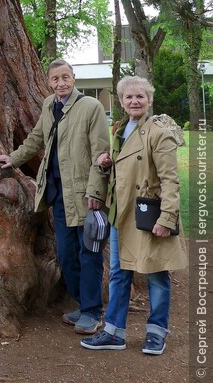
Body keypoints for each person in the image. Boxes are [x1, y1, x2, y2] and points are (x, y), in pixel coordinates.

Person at [0, 59, 110, 334]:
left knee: (89, 254)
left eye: (65, 77)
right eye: (55, 79)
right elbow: (36, 138)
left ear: (74, 77)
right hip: (57, 195)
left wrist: (96, 192)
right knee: (67, 256)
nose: (61, 83)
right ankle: (82, 303)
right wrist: (13, 157)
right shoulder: (48, 105)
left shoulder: (91, 107)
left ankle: (93, 311)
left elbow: (101, 154)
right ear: (49, 82)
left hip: (84, 195)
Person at [81, 75, 187, 355]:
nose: (134, 101)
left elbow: (170, 179)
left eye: (140, 96)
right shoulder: (118, 130)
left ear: (149, 100)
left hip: (148, 216)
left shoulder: (158, 132)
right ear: (121, 101)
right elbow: (120, 172)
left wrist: (167, 218)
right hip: (121, 214)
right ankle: (114, 332)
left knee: (155, 274)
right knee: (118, 273)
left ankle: (156, 333)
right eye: (128, 97)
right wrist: (105, 164)